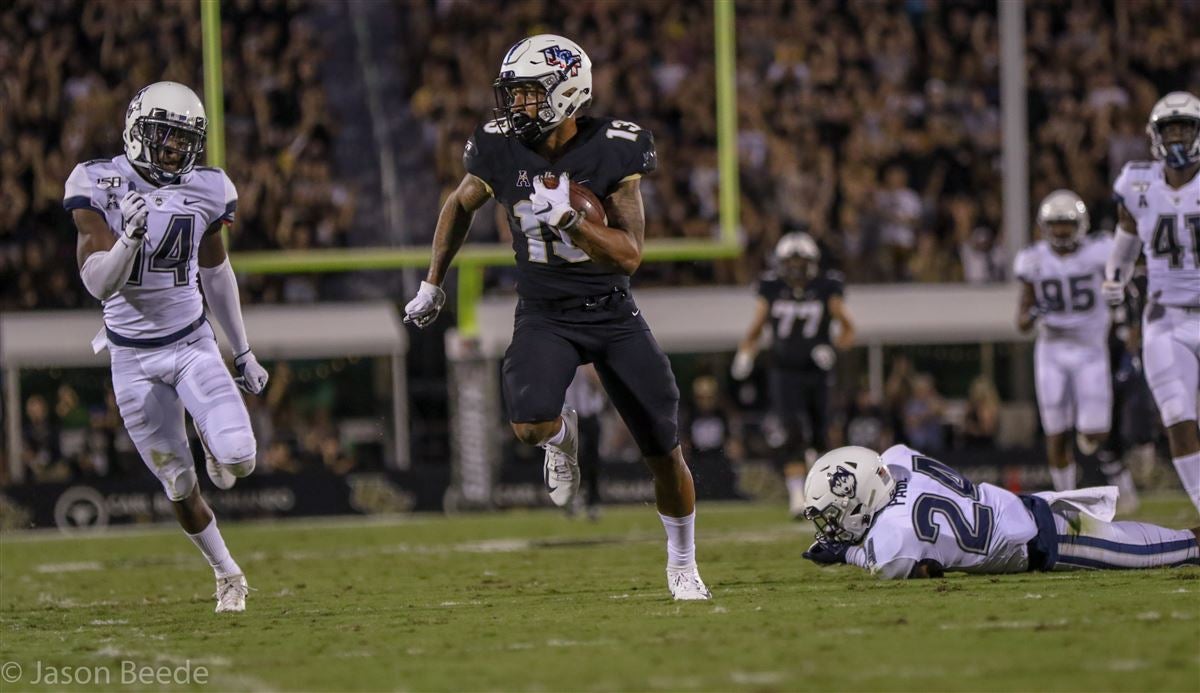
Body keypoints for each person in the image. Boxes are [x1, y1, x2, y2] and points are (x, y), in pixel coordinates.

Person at [403, 35, 709, 600]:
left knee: (664, 451)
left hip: (612, 311)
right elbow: (459, 204)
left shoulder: (615, 148)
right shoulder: (497, 148)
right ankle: (563, 438)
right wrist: (432, 282)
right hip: (544, 311)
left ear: (567, 92)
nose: (514, 107)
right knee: (529, 424)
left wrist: (572, 222)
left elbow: (630, 254)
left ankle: (683, 563)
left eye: (526, 95)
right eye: (513, 95)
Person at [64, 82, 269, 612]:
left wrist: (242, 350)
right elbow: (98, 284)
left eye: (185, 140)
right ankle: (228, 574)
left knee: (240, 460)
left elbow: (216, 270)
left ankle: (210, 435)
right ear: (137, 130)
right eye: (166, 136)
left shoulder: (208, 188)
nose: (176, 149)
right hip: (131, 358)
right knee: (179, 485)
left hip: (190, 343)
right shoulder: (98, 180)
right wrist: (128, 238)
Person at [801, 445, 1198, 579]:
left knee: (1165, 549)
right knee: (1141, 537)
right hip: (1024, 506)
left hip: (1043, 542)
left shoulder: (893, 537)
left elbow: (904, 566)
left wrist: (844, 553)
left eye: (835, 514)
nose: (832, 525)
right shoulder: (899, 460)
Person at [1104, 91, 1200, 515]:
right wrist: (1114, 279)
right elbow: (1124, 250)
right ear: (1155, 136)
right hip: (1165, 319)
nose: (1177, 137)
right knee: (1177, 414)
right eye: (1169, 129)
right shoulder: (1137, 185)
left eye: (1184, 128)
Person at [1014, 189, 1138, 508]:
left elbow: (1125, 281)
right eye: (1054, 224)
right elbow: (1022, 322)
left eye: (1066, 223)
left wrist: (1124, 317)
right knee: (1055, 432)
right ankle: (1064, 499)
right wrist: (1032, 313)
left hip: (1091, 349)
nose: (1060, 231)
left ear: (1080, 224)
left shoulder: (1100, 251)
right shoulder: (1033, 259)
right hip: (1052, 351)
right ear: (1044, 226)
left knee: (1094, 431)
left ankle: (1110, 460)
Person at [731, 232, 855, 519]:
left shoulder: (827, 286)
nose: (797, 268)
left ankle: (822, 492)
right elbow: (758, 325)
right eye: (792, 261)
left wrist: (834, 349)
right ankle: (798, 498)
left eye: (802, 261)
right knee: (792, 432)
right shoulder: (772, 287)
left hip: (816, 371)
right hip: (784, 370)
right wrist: (746, 352)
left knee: (821, 435)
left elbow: (848, 328)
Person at [564, 365, 606, 521]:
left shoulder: (588, 361)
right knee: (573, 459)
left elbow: (598, 383)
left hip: (589, 413)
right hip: (570, 415)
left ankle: (593, 500)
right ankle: (574, 498)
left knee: (592, 459)